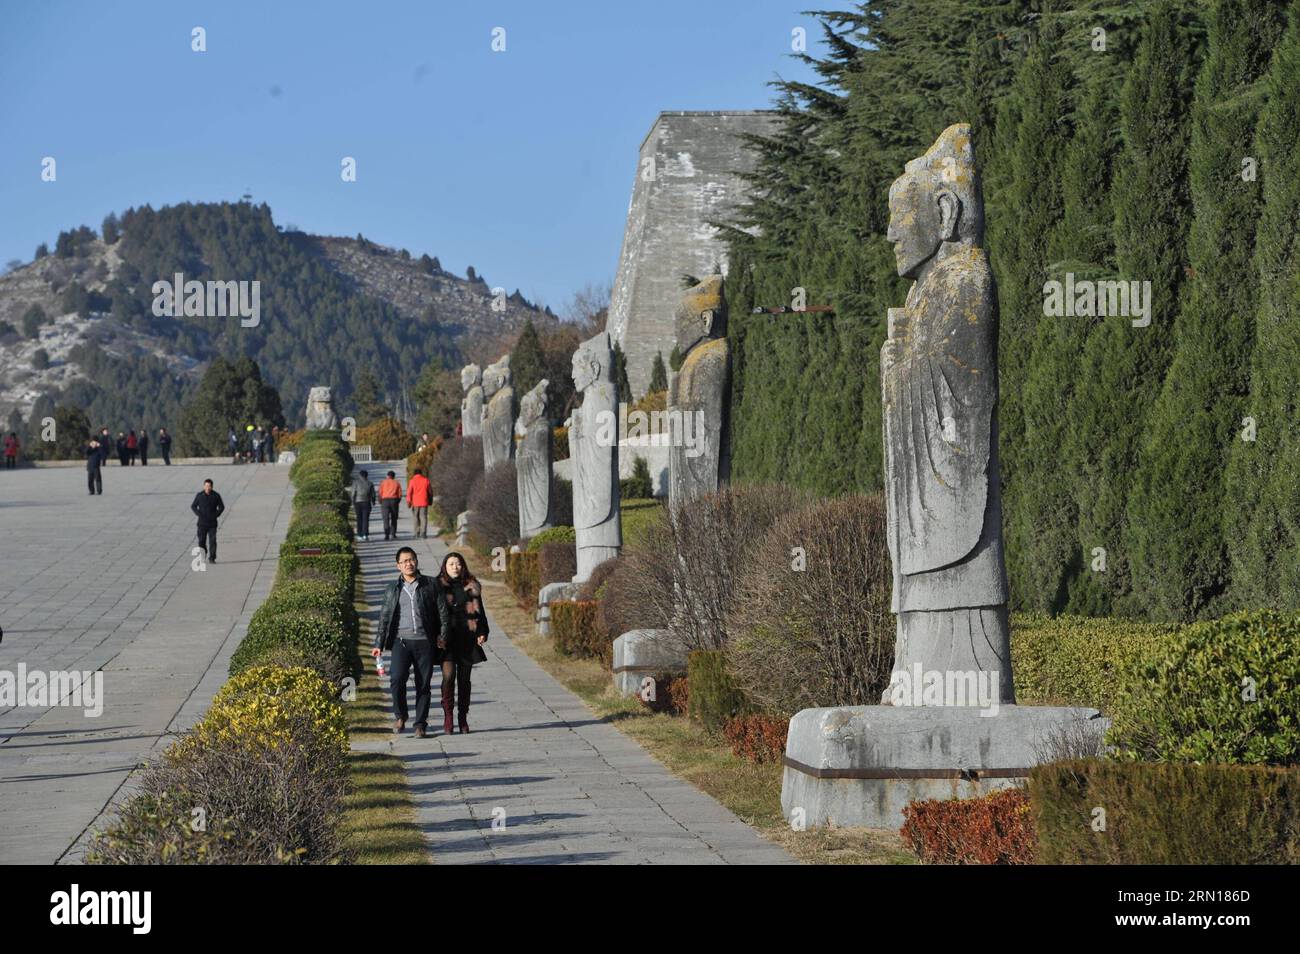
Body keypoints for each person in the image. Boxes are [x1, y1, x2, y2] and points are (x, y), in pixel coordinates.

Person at [371, 547, 450, 738]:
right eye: (404, 561)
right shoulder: (392, 589)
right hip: (401, 642)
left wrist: (443, 635)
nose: (409, 563)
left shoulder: (431, 584)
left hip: (425, 642)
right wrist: (378, 644)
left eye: (412, 559)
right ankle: (400, 716)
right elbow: (384, 618)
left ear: (416, 561)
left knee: (424, 685)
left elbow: (443, 613)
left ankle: (420, 724)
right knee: (397, 679)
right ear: (398, 565)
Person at [435, 552, 488, 734]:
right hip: (448, 638)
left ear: (463, 565)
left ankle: (462, 716)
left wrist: (482, 631)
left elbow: (479, 611)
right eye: (451, 564)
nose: (455, 567)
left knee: (464, 679)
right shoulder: (438, 585)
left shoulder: (472, 585)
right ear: (445, 567)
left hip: (467, 637)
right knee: (448, 676)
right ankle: (448, 714)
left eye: (458, 564)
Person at [191, 478, 225, 563]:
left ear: (212, 487)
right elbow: (193, 506)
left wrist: (216, 515)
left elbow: (221, 507)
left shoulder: (216, 495)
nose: (207, 488)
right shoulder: (199, 495)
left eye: (209, 486)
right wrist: (199, 514)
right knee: (201, 541)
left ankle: (212, 558)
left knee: (212, 541)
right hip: (202, 523)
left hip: (212, 523)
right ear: (203, 486)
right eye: (206, 486)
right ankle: (203, 554)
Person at [351, 468, 376, 541]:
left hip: (357, 502)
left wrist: (353, 502)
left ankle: (359, 534)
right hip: (366, 502)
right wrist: (373, 502)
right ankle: (365, 534)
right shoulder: (370, 483)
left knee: (359, 518)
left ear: (360, 475)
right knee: (365, 519)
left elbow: (353, 493)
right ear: (366, 476)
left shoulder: (355, 482)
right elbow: (373, 494)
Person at [406, 467, 432, 539]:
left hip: (415, 502)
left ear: (414, 474)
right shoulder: (426, 480)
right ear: (421, 473)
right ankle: (423, 533)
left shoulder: (412, 481)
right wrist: (430, 500)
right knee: (423, 517)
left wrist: (408, 501)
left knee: (416, 517)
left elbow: (409, 492)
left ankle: (416, 532)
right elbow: (430, 491)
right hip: (424, 501)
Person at [378, 470, 403, 541]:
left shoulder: (383, 482)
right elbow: (400, 494)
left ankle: (386, 534)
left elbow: (380, 493)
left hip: (385, 501)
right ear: (394, 476)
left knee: (385, 518)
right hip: (394, 500)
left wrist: (380, 501)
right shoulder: (397, 483)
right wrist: (397, 502)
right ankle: (393, 533)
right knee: (394, 518)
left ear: (387, 476)